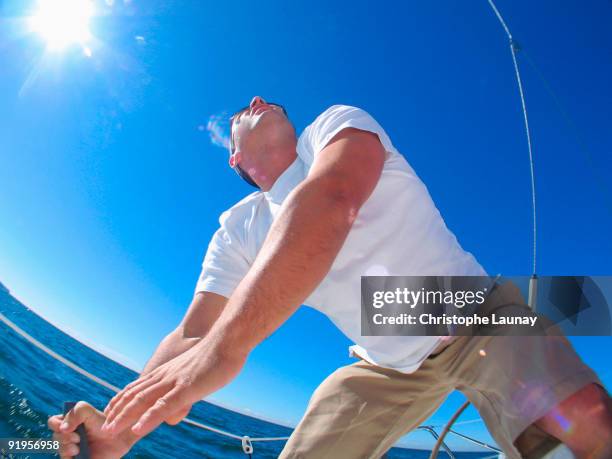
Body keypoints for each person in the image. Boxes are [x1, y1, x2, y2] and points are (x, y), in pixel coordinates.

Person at [48, 97, 612, 458]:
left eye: (265, 101)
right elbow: (194, 335)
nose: (256, 100)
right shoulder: (237, 230)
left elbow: (333, 200)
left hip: (472, 310)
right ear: (236, 163)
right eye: (244, 111)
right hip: (384, 360)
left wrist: (227, 349)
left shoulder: (335, 125)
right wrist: (119, 424)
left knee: (582, 424)